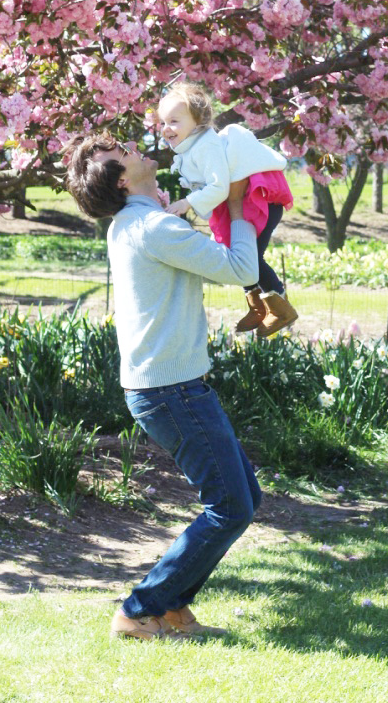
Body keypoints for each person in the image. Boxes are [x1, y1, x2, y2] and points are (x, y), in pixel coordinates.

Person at [65, 131, 262, 643]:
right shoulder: (151, 226)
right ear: (123, 180)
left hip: (169, 388)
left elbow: (173, 230)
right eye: (121, 153)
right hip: (172, 391)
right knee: (231, 506)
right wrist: (238, 207)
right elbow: (242, 267)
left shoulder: (136, 223)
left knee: (243, 496)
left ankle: (172, 607)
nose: (135, 146)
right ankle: (139, 610)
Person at [158, 82, 297, 336]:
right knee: (238, 253)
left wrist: (187, 203)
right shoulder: (191, 148)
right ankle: (257, 305)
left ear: (197, 120)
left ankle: (281, 306)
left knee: (250, 257)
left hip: (259, 201)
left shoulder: (205, 145)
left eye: (174, 121)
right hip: (245, 203)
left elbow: (220, 188)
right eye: (163, 122)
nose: (166, 128)